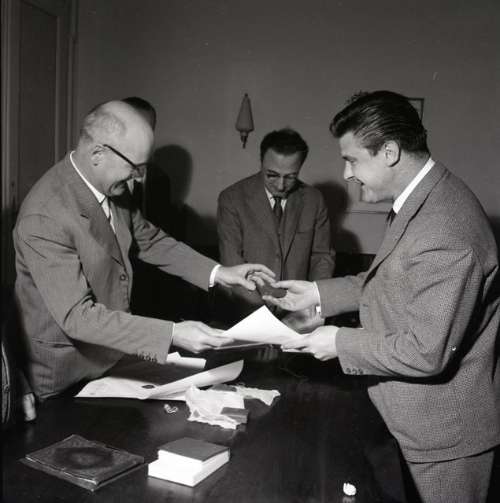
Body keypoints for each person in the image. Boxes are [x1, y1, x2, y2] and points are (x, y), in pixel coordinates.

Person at [264, 91, 500, 502]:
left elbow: (426, 352)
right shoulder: (424, 201)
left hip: (441, 438)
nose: (347, 174)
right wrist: (316, 293)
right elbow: (390, 280)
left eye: (352, 160)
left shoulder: (445, 228)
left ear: (389, 152)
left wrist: (338, 342)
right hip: (409, 420)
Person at [13, 100, 274, 401]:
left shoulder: (112, 186)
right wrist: (172, 333)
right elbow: (78, 317)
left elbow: (148, 240)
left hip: (111, 357)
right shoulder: (45, 215)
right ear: (97, 154)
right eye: (134, 167)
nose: (139, 177)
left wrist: (219, 272)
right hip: (64, 374)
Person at [217, 128, 334, 328]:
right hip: (245, 313)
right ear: (261, 161)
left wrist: (310, 305)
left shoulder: (314, 200)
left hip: (298, 315)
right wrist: (264, 322)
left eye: (290, 176)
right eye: (272, 175)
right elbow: (232, 262)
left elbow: (322, 258)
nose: (280, 185)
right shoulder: (231, 199)